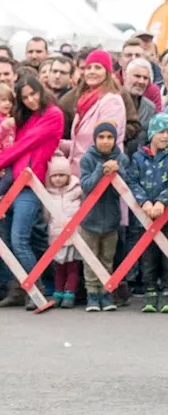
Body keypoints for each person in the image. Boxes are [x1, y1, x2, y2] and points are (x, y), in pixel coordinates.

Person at [0, 76, 63, 310]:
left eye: (33, 94)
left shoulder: (53, 114)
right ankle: (18, 288)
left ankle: (36, 289)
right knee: (9, 239)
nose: (31, 100)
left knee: (20, 239)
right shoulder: (27, 116)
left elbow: (26, 143)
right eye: (25, 97)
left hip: (30, 183)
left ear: (41, 90)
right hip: (14, 179)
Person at [78, 121, 127, 311]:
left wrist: (118, 171)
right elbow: (87, 186)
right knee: (90, 259)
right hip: (90, 219)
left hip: (112, 220)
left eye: (109, 137)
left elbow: (124, 189)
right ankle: (92, 295)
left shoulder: (122, 159)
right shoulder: (87, 159)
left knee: (107, 258)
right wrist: (100, 170)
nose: (105, 141)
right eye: (101, 137)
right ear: (95, 139)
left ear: (115, 140)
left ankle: (107, 293)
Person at [130, 113, 169, 312]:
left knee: (166, 255)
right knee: (148, 255)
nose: (165, 136)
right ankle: (150, 291)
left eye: (168, 132)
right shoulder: (138, 157)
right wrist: (144, 201)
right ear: (152, 133)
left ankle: (167, 292)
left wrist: (162, 201)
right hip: (143, 217)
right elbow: (132, 181)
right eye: (162, 131)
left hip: (166, 216)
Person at [67, 50, 127, 175]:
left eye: (98, 67)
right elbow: (80, 142)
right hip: (79, 172)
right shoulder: (85, 99)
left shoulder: (111, 101)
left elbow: (106, 142)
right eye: (89, 68)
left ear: (107, 72)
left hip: (98, 172)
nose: (92, 71)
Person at [39, 155, 83, 309]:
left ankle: (70, 292)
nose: (58, 179)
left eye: (62, 175)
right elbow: (46, 215)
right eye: (54, 176)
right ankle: (58, 292)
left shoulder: (77, 190)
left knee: (73, 266)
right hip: (56, 235)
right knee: (58, 267)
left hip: (74, 235)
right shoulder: (47, 193)